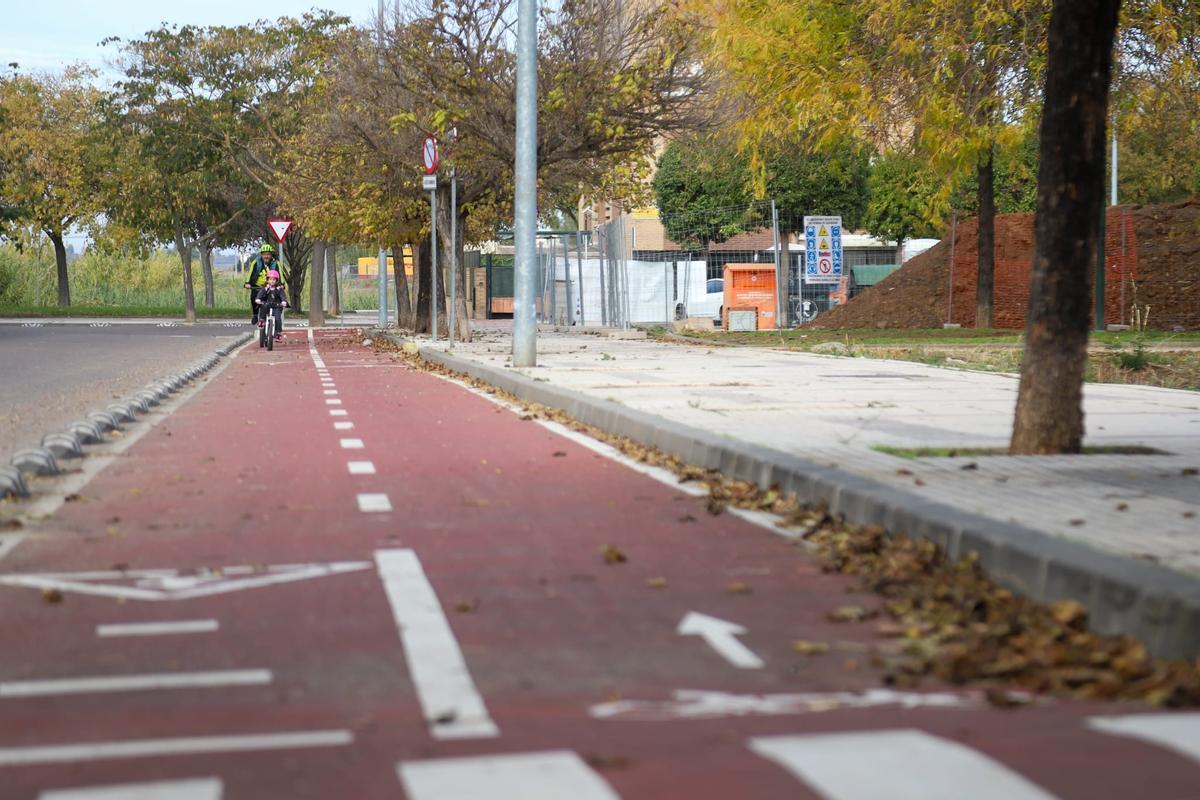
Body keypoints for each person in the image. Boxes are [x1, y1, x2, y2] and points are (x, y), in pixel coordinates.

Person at [244, 244, 279, 324]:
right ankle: (255, 314)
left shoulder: (275, 263)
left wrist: (282, 284)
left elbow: (279, 274)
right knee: (254, 298)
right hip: (257, 286)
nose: (266, 256)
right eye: (264, 254)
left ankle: (275, 316)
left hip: (271, 285)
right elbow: (250, 273)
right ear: (261, 255)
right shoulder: (256, 262)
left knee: (275, 299)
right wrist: (247, 283)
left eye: (268, 254)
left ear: (271, 255)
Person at [255, 271, 289, 340]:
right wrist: (258, 299)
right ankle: (261, 321)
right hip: (267, 304)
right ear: (267, 280)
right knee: (263, 308)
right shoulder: (266, 288)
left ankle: (278, 333)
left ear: (277, 280)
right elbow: (260, 294)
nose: (272, 281)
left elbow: (283, 296)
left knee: (278, 319)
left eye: (274, 279)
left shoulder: (279, 289)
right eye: (270, 279)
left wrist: (284, 301)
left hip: (277, 306)